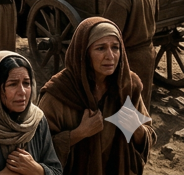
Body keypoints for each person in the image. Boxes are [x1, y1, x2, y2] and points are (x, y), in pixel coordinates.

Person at [39, 17, 153, 174]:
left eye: (115, 47)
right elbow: (38, 147)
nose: (110, 56)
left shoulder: (127, 85)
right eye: (100, 48)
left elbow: (148, 134)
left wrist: (137, 129)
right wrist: (78, 134)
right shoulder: (60, 92)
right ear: (84, 53)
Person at [101, 0, 158, 114]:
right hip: (147, 54)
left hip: (128, 59)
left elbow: (110, 33)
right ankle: (138, 139)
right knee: (140, 106)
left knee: (123, 109)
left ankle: (127, 141)